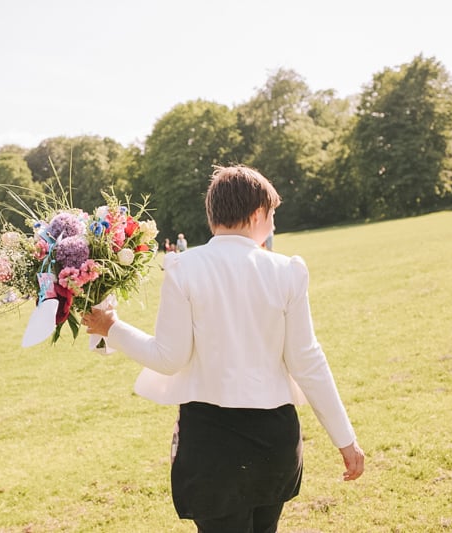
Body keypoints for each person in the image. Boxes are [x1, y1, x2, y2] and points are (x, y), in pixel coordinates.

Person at [82, 165, 364, 532]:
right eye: (273, 216)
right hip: (274, 440)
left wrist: (111, 328)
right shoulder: (288, 271)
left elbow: (169, 358)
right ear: (258, 213)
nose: (274, 226)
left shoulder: (184, 267)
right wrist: (346, 439)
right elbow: (306, 361)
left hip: (210, 442)